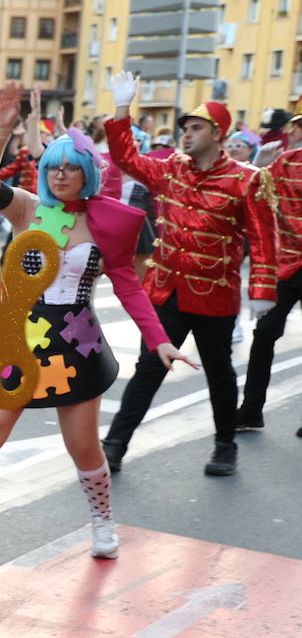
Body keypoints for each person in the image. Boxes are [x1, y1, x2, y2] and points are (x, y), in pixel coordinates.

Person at [0, 83, 194, 561]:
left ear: (85, 174)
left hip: (76, 343)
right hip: (20, 335)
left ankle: (102, 522)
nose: (59, 174)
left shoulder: (109, 222)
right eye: (52, 166)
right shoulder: (28, 209)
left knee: (82, 445)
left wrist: (159, 340)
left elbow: (129, 286)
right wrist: (1, 131)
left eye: (69, 167)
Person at [101, 74, 278, 477]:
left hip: (215, 297)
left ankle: (225, 446)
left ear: (218, 134)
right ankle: (114, 445)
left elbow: (263, 239)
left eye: (196, 128)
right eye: (184, 128)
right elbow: (126, 157)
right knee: (149, 368)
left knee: (219, 373)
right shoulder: (170, 170)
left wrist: (263, 290)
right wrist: (122, 109)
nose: (186, 134)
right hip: (166, 292)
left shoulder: (246, 179)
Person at [239, 110, 302, 435]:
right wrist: (257, 167)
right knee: (264, 335)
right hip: (288, 266)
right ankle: (251, 411)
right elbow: (253, 191)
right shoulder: (287, 162)